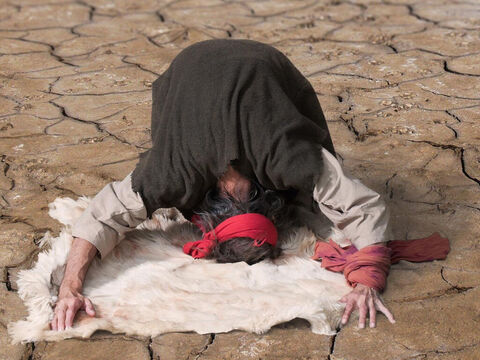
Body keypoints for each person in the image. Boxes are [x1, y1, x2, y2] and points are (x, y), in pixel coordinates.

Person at [50, 38, 395, 332]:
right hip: (189, 69)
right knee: (315, 186)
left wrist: (367, 280)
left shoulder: (285, 157)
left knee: (315, 187)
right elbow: (103, 215)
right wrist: (70, 287)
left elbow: (365, 206)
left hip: (262, 65)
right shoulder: (174, 170)